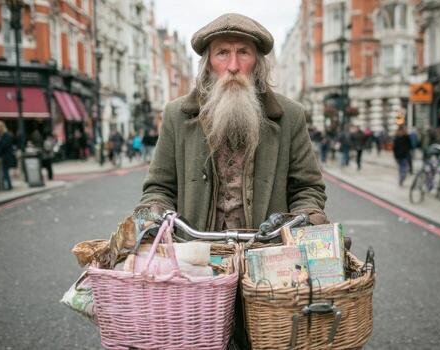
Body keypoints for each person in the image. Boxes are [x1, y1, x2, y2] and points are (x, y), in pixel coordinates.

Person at [133, 13, 328, 349]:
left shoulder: (290, 115)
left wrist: (305, 217)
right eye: (222, 53)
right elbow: (159, 187)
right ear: (208, 62)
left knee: (265, 342)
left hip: (268, 259)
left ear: (258, 63)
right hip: (198, 260)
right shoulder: (178, 115)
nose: (234, 65)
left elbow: (308, 187)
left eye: (244, 52)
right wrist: (153, 213)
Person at [0, 120, 16, 191]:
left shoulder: (6, 135)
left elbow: (5, 145)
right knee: (3, 171)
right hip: (1, 156)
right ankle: (5, 185)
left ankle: (8, 186)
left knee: (4, 171)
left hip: (5, 156)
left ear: (1, 127)